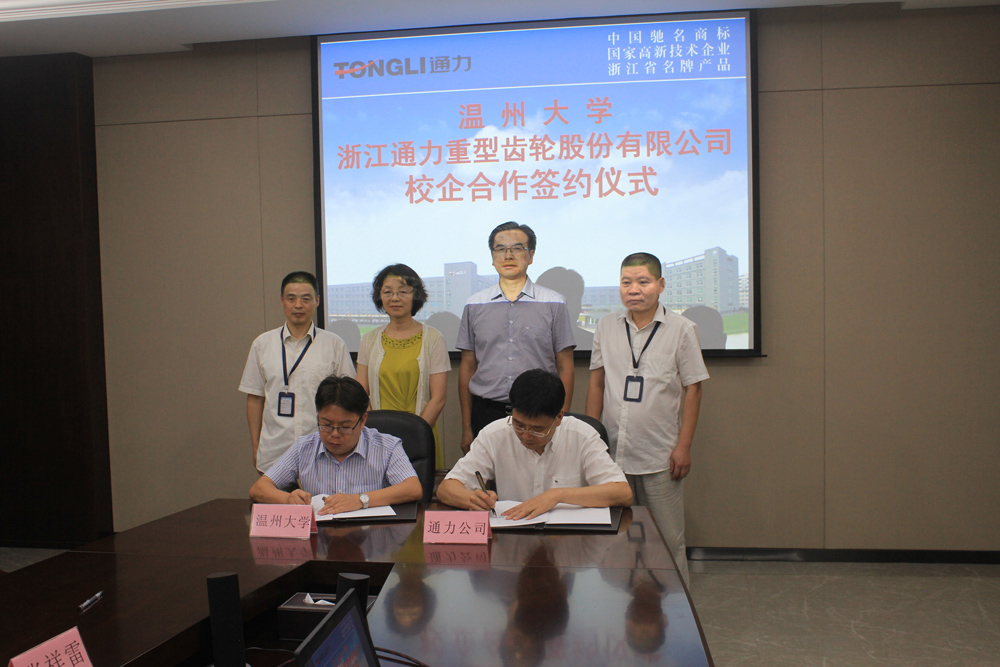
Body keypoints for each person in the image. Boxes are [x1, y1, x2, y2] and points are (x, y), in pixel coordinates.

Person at [586, 252, 709, 584]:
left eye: (643, 281)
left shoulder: (682, 329)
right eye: (626, 282)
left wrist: (684, 446)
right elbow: (596, 383)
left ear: (661, 284)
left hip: (659, 454)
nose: (634, 289)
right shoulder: (606, 326)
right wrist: (590, 440)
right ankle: (618, 600)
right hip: (612, 454)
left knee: (667, 540)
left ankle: (673, 605)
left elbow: (694, 389)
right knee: (615, 536)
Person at [439, 369, 631, 520]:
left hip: (569, 540)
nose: (526, 435)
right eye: (519, 424)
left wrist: (557, 495)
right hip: (514, 537)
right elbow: (446, 489)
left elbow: (622, 493)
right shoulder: (495, 434)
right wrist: (471, 499)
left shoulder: (582, 436)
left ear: (559, 417)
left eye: (537, 429)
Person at [457, 221, 576, 453]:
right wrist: (466, 427)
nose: (508, 255)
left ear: (530, 256)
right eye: (500, 249)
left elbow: (565, 366)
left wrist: (561, 420)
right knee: (488, 476)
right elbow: (467, 367)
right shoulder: (474, 304)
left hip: (540, 413)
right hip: (486, 412)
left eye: (517, 248)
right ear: (492, 257)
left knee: (539, 473)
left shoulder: (555, 303)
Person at [249, 375, 422, 514]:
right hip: (320, 539)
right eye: (326, 425)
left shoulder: (386, 447)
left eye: (345, 427)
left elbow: (413, 488)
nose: (334, 434)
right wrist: (288, 500)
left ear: (362, 420)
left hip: (372, 538)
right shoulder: (304, 447)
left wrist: (360, 500)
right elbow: (259, 489)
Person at [239, 271, 355, 473]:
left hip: (323, 453)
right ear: (282, 300)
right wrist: (256, 447)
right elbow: (255, 398)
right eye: (291, 298)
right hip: (274, 453)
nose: (298, 305)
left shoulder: (334, 344)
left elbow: (349, 400)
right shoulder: (262, 344)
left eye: (306, 299)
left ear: (317, 301)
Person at [356, 264, 451, 468]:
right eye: (387, 292)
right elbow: (361, 394)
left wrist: (414, 437)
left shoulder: (433, 339)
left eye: (403, 292)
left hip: (421, 437)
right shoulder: (369, 340)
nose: (395, 298)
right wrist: (376, 436)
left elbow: (438, 398)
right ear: (379, 297)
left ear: (415, 295)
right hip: (377, 441)